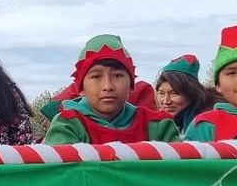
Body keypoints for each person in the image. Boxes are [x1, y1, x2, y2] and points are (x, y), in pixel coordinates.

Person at [43, 36, 182, 145]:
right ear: (81, 88)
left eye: (117, 76)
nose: (107, 86)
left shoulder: (158, 126)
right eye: (96, 76)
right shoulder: (68, 125)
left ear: (131, 85)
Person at [153, 55, 215, 133]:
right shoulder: (159, 126)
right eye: (161, 93)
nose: (166, 101)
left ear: (192, 92)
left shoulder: (208, 125)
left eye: (174, 93)